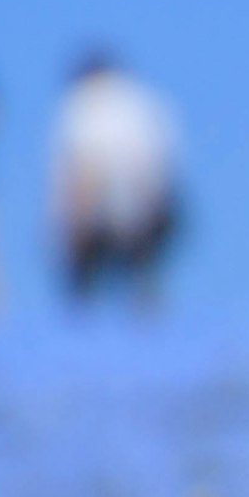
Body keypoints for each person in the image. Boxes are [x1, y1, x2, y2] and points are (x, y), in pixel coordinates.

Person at [47, 49, 181, 309]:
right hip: (140, 210)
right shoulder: (142, 102)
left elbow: (81, 172)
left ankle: (86, 331)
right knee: (141, 276)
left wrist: (72, 223)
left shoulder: (82, 107)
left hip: (106, 212)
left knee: (89, 284)